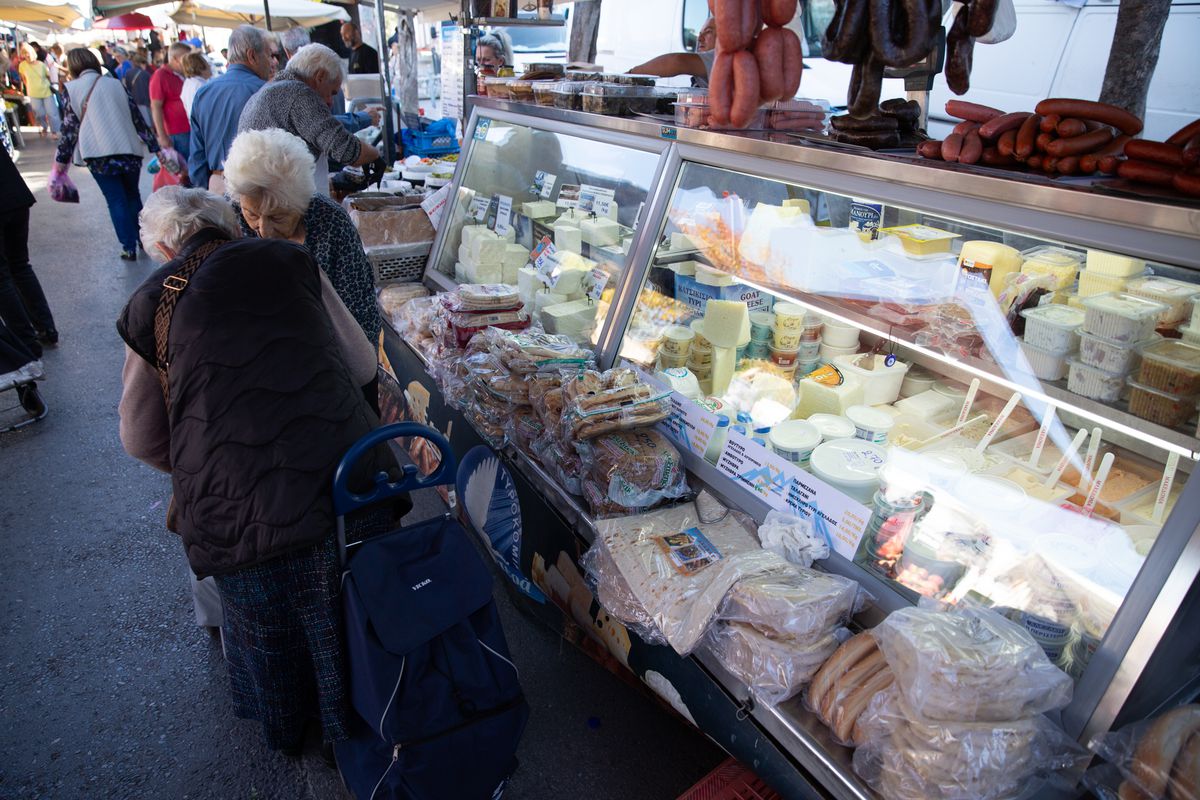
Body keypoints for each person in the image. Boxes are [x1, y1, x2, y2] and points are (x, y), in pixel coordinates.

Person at [116, 185, 396, 758]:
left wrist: (206, 462)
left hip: (236, 511)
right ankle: (378, 712)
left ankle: (293, 729)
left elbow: (140, 436)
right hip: (346, 477)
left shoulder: (154, 302)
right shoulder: (288, 259)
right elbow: (363, 361)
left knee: (272, 629)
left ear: (167, 248)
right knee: (353, 605)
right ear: (228, 225)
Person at [224, 128, 381, 349]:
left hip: (323, 355)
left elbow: (361, 316)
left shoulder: (331, 224)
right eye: (252, 215)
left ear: (302, 205)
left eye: (277, 217)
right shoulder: (229, 217)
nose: (264, 230)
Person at [52, 47, 168, 260]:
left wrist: (61, 162)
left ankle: (128, 247)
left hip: (98, 156)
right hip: (129, 151)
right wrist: (156, 148)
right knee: (133, 196)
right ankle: (144, 240)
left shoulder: (72, 88)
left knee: (115, 200)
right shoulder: (116, 84)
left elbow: (69, 129)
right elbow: (137, 119)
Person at [238, 44, 381, 196]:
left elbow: (326, 127)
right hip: (274, 200)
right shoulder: (299, 94)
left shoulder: (274, 89)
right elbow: (347, 150)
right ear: (319, 77)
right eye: (332, 92)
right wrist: (376, 156)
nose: (330, 102)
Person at [188, 25, 274, 192]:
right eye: (268, 55)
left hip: (217, 184)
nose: (271, 62)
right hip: (257, 188)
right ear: (252, 55)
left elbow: (197, 157)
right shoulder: (266, 91)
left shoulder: (203, 92)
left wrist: (206, 190)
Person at [0, 142, 57, 357]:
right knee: (19, 266)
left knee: (3, 277)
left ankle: (26, 341)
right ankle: (46, 328)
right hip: (15, 196)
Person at [278, 28, 380, 134]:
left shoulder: (287, 89)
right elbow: (324, 127)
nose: (331, 101)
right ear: (319, 77)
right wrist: (363, 118)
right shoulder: (294, 96)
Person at [629, 16, 716, 85]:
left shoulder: (718, 58)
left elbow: (678, 61)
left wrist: (630, 74)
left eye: (708, 32)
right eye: (700, 34)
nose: (699, 39)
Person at [150, 42, 193, 174]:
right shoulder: (160, 76)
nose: (189, 62)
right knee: (185, 171)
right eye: (186, 58)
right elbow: (155, 106)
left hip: (190, 129)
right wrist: (162, 136)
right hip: (177, 132)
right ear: (175, 58)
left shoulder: (183, 74)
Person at [18, 46, 59, 138]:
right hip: (33, 92)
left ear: (33, 54)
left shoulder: (41, 64)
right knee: (39, 113)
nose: (27, 56)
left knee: (52, 112)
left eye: (28, 53)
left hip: (46, 91)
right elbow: (23, 79)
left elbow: (48, 76)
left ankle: (54, 132)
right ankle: (44, 127)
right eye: (25, 54)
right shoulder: (22, 65)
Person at [122, 53, 153, 126]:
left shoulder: (128, 73)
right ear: (141, 63)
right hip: (147, 101)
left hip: (136, 101)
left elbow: (128, 87)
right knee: (150, 123)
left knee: (145, 123)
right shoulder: (145, 73)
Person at [180, 50, 211, 116]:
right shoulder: (201, 86)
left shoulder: (188, 83)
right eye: (207, 63)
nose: (210, 66)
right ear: (200, 67)